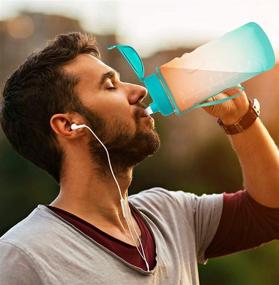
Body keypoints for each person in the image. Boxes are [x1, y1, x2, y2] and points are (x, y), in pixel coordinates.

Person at [0, 32, 278, 285]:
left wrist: (240, 117)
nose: (139, 90)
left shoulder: (170, 213)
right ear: (68, 126)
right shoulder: (24, 256)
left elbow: (270, 212)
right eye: (110, 86)